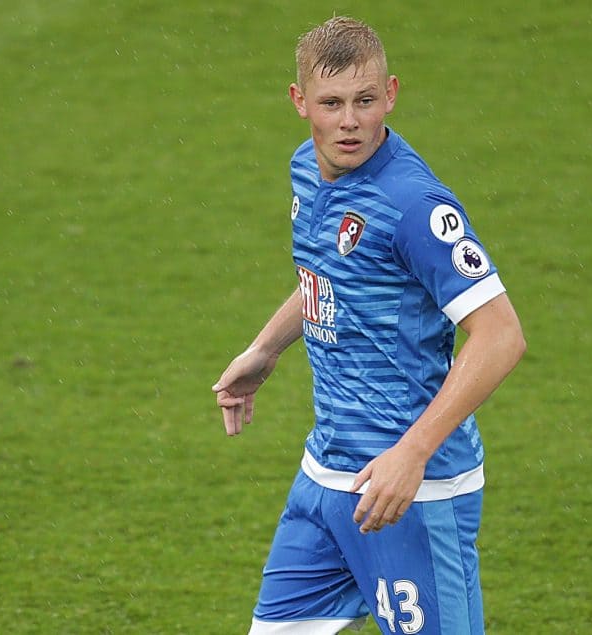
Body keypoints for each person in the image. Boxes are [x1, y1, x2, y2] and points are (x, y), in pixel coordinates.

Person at [212, 16, 525, 635]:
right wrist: (266, 349)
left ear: (391, 95)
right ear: (301, 103)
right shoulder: (307, 168)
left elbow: (501, 336)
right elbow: (329, 279)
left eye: (364, 101)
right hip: (326, 480)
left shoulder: (415, 205)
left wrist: (412, 453)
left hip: (412, 493)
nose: (349, 122)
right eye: (331, 103)